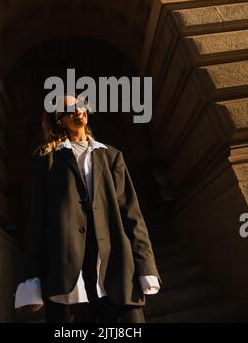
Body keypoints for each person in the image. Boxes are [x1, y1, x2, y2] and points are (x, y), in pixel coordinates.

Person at [14, 94, 162, 323]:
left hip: (114, 262)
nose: (78, 110)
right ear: (59, 119)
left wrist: (146, 265)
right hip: (66, 266)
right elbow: (38, 221)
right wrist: (32, 276)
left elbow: (132, 215)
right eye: (69, 108)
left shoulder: (112, 156)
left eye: (81, 105)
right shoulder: (48, 160)